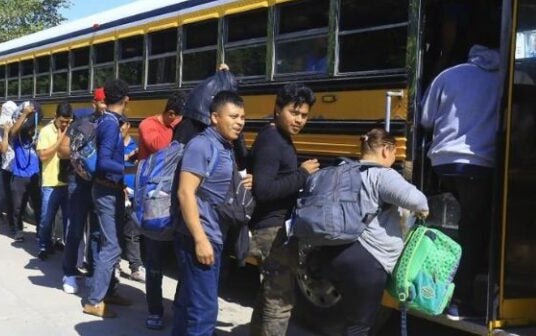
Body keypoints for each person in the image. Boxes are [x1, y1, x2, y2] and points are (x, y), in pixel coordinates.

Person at [314, 129, 429, 335]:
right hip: (367, 261)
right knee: (359, 327)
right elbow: (416, 199)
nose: (394, 160)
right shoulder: (382, 174)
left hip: (332, 253)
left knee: (347, 319)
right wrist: (423, 210)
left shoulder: (343, 171)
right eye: (394, 154)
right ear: (386, 150)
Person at [420, 43, 500, 318]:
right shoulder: (504, 80)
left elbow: (426, 119)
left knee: (452, 224)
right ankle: (460, 300)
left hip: (442, 164)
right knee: (475, 231)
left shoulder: (449, 75)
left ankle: (431, 285)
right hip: (479, 165)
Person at [172, 90, 251, 335]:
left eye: (242, 117)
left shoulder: (223, 146)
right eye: (234, 116)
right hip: (201, 236)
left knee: (188, 304)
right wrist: (200, 239)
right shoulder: (202, 145)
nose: (240, 122)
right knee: (204, 312)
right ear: (215, 117)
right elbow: (185, 192)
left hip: (212, 234)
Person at [249, 83, 319, 336]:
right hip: (271, 229)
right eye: (294, 112)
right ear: (277, 109)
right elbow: (264, 190)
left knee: (269, 295)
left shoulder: (277, 138)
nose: (299, 119)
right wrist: (302, 174)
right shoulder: (272, 141)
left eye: (304, 115)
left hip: (273, 227)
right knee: (280, 301)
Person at [83, 79, 133, 318]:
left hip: (109, 188)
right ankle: (94, 300)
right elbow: (104, 162)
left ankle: (108, 291)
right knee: (111, 245)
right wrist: (128, 169)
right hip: (105, 190)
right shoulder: (111, 124)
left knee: (114, 244)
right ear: (126, 99)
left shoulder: (108, 121)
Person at [136, 93, 186, 330]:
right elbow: (159, 147)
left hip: (177, 201)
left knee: (183, 263)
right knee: (154, 263)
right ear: (171, 114)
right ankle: (155, 310)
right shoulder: (148, 125)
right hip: (154, 203)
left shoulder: (179, 128)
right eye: (179, 121)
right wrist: (181, 133)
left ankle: (178, 307)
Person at [59, 89, 106, 295]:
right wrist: (83, 154)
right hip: (78, 183)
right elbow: (62, 151)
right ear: (94, 102)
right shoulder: (79, 123)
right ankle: (69, 272)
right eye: (102, 102)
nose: (105, 105)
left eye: (107, 102)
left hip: (101, 184)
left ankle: (93, 273)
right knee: (75, 229)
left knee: (96, 232)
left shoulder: (112, 124)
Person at [36, 102, 72, 260]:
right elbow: (42, 155)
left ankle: (67, 248)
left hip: (68, 183)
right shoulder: (45, 131)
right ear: (55, 117)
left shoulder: (73, 130)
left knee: (68, 220)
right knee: (46, 218)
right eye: (61, 121)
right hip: (50, 183)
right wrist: (59, 142)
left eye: (67, 121)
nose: (64, 124)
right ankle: (44, 246)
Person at [8, 103, 40, 240]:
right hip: (19, 175)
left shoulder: (37, 135)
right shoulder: (17, 137)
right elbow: (12, 132)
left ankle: (41, 232)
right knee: (18, 207)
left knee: (38, 206)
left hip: (35, 175)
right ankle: (18, 230)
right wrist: (25, 114)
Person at [119, 120, 144, 282]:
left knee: (133, 232)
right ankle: (114, 265)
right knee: (113, 232)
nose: (120, 129)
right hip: (118, 192)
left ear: (128, 126)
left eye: (122, 126)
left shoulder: (136, 147)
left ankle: (135, 267)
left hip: (134, 194)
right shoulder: (112, 146)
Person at [0, 101, 19, 223]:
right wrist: (5, 138)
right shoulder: (0, 131)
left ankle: (11, 217)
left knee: (14, 194)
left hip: (16, 167)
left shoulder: (19, 130)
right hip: (2, 166)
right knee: (1, 192)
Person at [137, 91, 185, 160]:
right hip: (150, 170)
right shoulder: (147, 124)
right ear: (171, 114)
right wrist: (176, 124)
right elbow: (158, 147)